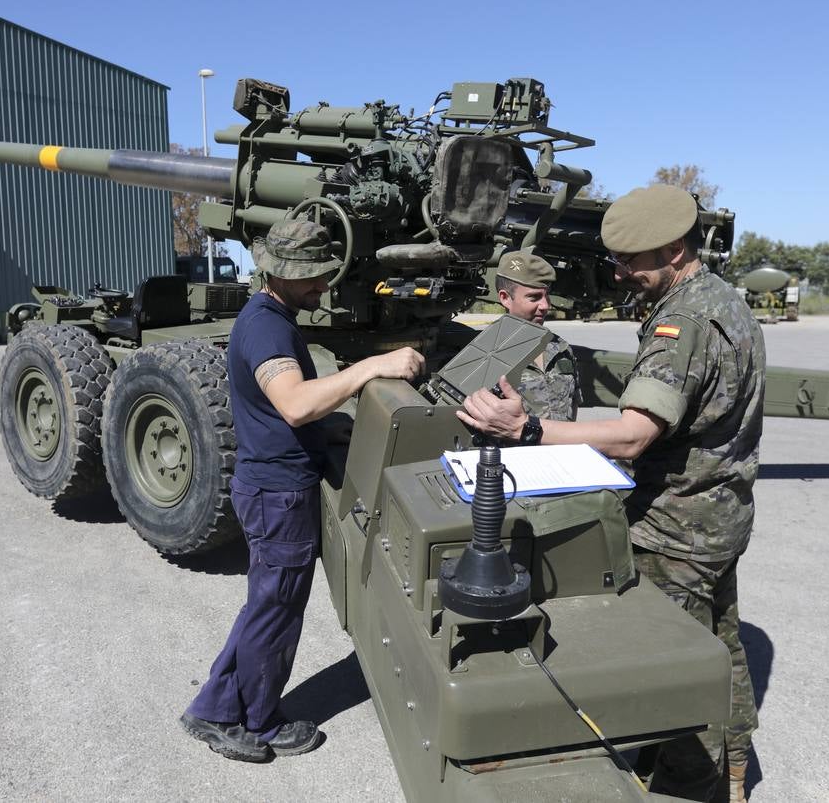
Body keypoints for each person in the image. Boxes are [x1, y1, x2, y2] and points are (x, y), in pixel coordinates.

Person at [458, 185, 763, 803]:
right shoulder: (726, 301)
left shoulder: (686, 323)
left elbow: (631, 436)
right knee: (720, 647)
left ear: (675, 250)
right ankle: (733, 767)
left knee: (671, 674)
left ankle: (690, 784)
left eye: (632, 261)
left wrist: (527, 429)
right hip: (719, 517)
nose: (621, 273)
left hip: (675, 529)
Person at [181, 218, 424, 763]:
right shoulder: (266, 327)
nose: (322, 288)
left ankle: (213, 708)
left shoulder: (272, 316)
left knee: (265, 605)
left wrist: (328, 428)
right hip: (277, 494)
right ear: (280, 274)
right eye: (311, 278)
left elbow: (285, 414)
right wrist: (372, 367)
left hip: (270, 485)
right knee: (277, 610)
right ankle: (257, 722)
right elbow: (293, 403)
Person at [494, 250, 581, 421]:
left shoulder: (560, 348)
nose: (545, 305)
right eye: (534, 297)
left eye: (546, 295)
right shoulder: (486, 354)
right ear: (505, 298)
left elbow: (573, 406)